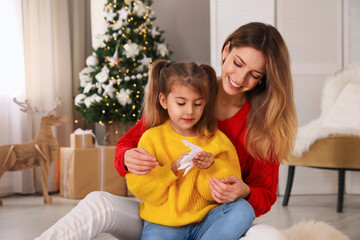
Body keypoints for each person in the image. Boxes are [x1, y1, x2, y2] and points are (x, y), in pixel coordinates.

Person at [36, 22, 297, 240]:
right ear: (226, 49)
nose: (240, 78)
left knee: (269, 235)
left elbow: (265, 193)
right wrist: (127, 157)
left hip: (215, 222)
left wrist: (243, 191)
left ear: (264, 79)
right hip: (163, 214)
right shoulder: (187, 92)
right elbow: (129, 143)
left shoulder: (263, 125)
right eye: (238, 63)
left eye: (254, 74)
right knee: (98, 202)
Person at [126, 60, 254, 240]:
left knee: (243, 209)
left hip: (206, 222)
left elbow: (223, 191)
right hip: (164, 225)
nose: (189, 111)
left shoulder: (216, 140)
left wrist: (211, 167)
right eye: (181, 103)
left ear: (205, 103)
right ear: (164, 100)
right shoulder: (152, 138)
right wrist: (172, 169)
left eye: (197, 104)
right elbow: (141, 189)